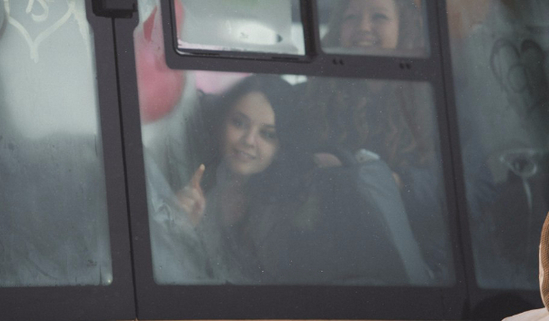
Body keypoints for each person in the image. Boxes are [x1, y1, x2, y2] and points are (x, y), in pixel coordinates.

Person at [175, 74, 412, 285]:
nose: (248, 140)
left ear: (283, 145)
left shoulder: (297, 205)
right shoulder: (198, 178)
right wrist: (182, 225)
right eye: (239, 123)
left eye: (267, 134)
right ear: (221, 122)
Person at [297, 0, 452, 283]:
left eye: (378, 17)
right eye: (351, 18)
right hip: (331, 264)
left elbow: (470, 188)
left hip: (424, 270)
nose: (363, 27)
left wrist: (395, 182)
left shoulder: (437, 98)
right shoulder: (312, 98)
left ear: (404, 27)